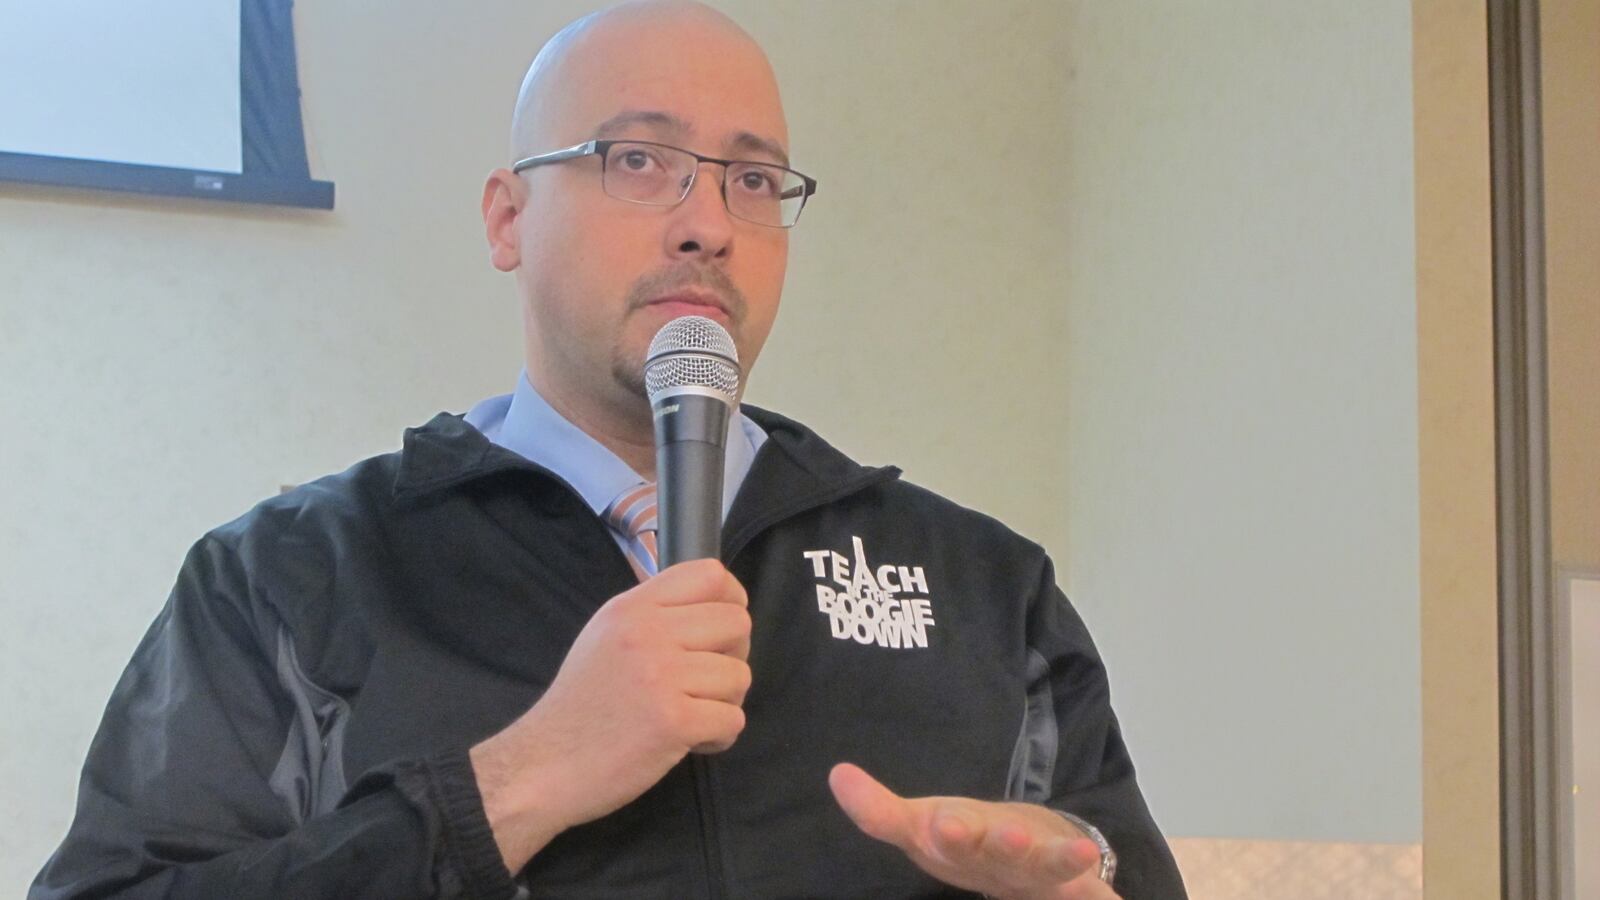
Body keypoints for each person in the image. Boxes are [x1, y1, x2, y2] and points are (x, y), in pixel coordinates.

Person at [30, 2, 1186, 898]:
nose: (707, 223)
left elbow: (1122, 873)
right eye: (637, 159)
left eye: (753, 179)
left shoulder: (984, 587)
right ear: (507, 218)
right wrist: (513, 783)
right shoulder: (291, 577)